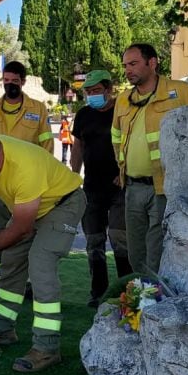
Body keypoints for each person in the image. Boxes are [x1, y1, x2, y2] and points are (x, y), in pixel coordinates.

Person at [0, 133, 84, 373]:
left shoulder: (24, 167)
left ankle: (47, 347)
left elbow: (21, 228)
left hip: (63, 205)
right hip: (31, 207)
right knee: (11, 261)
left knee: (40, 264)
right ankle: (0, 330)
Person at [112, 43, 188, 275]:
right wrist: (121, 168)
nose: (127, 70)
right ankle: (139, 299)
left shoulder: (179, 91)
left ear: (152, 63)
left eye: (133, 64)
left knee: (156, 250)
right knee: (135, 252)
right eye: (125, 66)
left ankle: (154, 300)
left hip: (163, 186)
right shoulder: (123, 100)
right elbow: (116, 137)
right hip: (132, 187)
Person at [0, 61, 54, 300]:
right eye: (6, 81)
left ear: (23, 81)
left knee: (24, 233)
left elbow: (47, 145)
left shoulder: (38, 109)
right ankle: (0, 283)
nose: (9, 85)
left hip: (26, 184)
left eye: (14, 81)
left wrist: (44, 179)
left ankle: (26, 283)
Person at [71, 70, 132, 306]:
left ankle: (126, 293)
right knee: (93, 242)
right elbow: (78, 146)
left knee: (120, 240)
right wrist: (73, 177)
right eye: (88, 91)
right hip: (91, 188)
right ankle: (98, 294)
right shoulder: (84, 114)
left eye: (96, 91)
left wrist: (124, 171)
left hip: (120, 187)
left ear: (109, 90)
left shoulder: (123, 113)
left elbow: (131, 143)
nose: (91, 96)